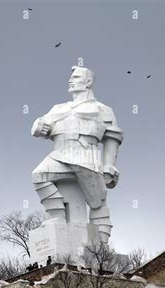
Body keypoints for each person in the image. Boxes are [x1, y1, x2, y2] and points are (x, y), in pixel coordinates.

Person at [31, 66, 123, 243]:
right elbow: (40, 127)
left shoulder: (102, 109)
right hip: (60, 155)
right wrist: (38, 126)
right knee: (39, 175)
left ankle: (101, 246)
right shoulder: (59, 108)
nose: (70, 80)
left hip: (86, 157)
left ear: (88, 82)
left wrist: (109, 165)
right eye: (71, 77)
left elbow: (112, 138)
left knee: (97, 202)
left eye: (76, 77)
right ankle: (56, 216)